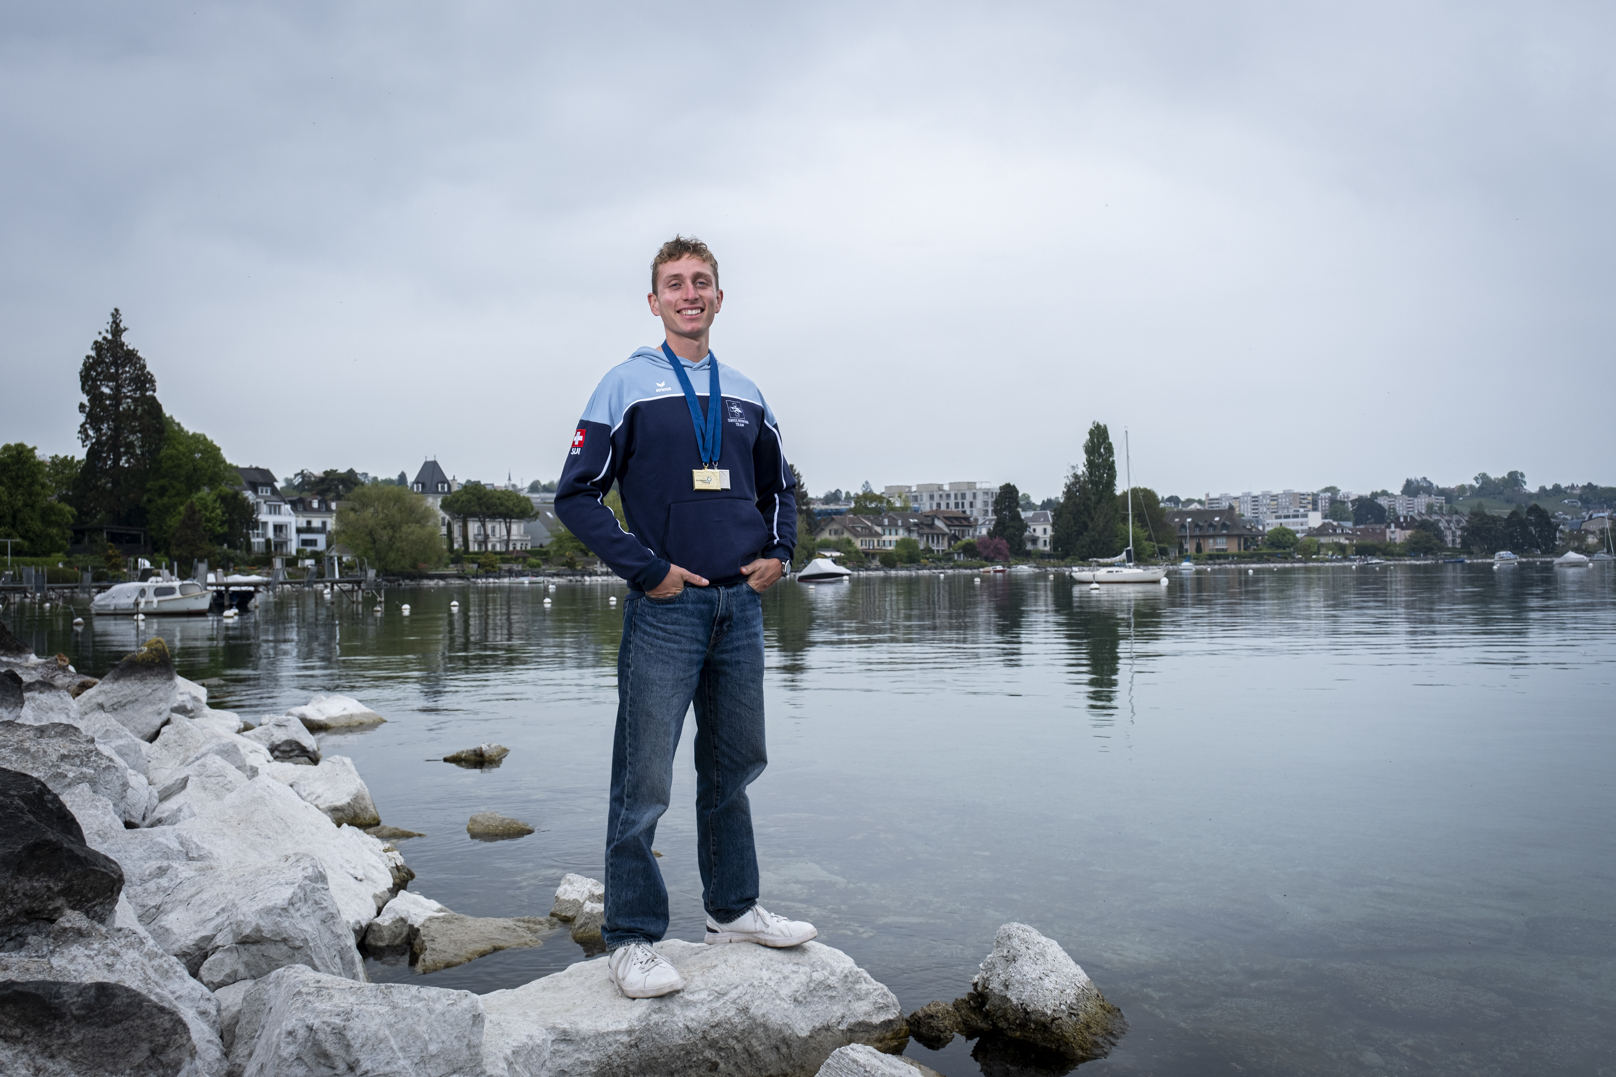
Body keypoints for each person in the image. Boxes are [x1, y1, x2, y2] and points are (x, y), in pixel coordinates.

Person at [554, 235, 816, 999]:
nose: (689, 293)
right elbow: (575, 494)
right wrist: (647, 568)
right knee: (643, 779)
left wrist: (781, 552)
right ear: (654, 301)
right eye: (675, 283)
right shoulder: (624, 386)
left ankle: (732, 909)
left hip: (741, 604)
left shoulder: (746, 394)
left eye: (701, 282)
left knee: (733, 769)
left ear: (719, 298)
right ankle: (632, 937)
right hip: (666, 607)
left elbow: (782, 487)